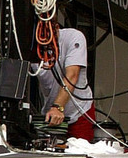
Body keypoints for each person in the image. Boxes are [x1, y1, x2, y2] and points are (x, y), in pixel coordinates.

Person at [35, 9, 95, 138]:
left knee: (81, 154)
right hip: (50, 114)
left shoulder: (73, 37)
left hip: (79, 112)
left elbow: (72, 75)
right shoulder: (31, 47)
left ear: (56, 27)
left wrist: (58, 107)